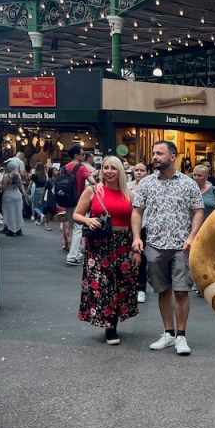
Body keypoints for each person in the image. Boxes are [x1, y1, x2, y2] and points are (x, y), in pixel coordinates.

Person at [131, 140, 203, 355]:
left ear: (172, 157)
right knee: (163, 291)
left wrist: (192, 237)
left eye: (159, 154)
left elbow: (198, 210)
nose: (154, 157)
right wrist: (136, 236)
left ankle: (181, 336)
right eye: (153, 153)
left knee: (181, 292)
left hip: (182, 246)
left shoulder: (188, 183)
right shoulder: (146, 183)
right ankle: (168, 333)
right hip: (155, 244)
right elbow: (137, 211)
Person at [73, 156, 140, 345]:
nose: (109, 171)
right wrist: (88, 220)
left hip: (122, 243)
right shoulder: (92, 191)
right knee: (102, 284)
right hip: (98, 244)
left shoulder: (129, 194)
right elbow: (76, 214)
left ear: (120, 171)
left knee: (121, 285)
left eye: (113, 168)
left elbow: (134, 221)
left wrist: (136, 246)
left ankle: (112, 323)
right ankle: (109, 326)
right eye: (106, 168)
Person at [64, 146, 93, 266]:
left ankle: (77, 252)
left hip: (66, 200)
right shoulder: (82, 168)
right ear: (76, 155)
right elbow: (93, 181)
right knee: (78, 228)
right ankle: (72, 256)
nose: (83, 155)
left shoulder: (64, 167)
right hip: (79, 200)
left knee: (72, 226)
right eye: (81, 154)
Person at [130, 162, 150, 303]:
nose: (138, 173)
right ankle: (128, 287)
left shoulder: (151, 187)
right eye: (136, 170)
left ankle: (141, 288)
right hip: (127, 226)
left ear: (147, 172)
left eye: (141, 170)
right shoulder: (126, 186)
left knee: (142, 259)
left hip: (145, 227)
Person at [0, 158, 25, 237]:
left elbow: (4, 187)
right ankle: (18, 229)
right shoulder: (18, 176)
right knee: (17, 212)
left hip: (8, 196)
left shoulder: (6, 176)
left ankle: (11, 229)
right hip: (17, 195)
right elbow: (20, 185)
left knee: (9, 212)